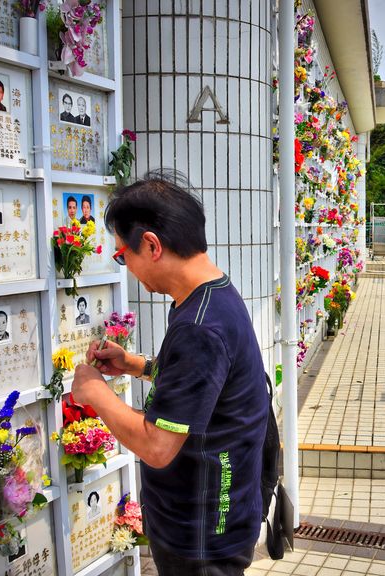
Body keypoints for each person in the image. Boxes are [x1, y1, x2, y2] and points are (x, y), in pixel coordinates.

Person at [71, 169, 269, 575]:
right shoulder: (213, 295)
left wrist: (95, 392)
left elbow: (158, 446)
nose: (126, 267)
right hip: (218, 518)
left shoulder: (199, 325)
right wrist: (135, 365)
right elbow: (205, 385)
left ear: (151, 245)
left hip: (201, 534)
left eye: (122, 255)